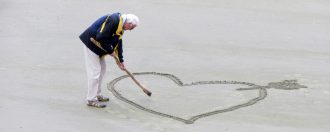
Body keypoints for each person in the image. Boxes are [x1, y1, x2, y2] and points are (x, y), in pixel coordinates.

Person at [79, 12, 139, 108]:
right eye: (132, 28)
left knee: (102, 71)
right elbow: (100, 37)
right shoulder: (114, 20)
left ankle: (97, 94)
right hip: (91, 45)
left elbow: (118, 42)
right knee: (95, 73)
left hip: (99, 48)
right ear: (129, 24)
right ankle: (90, 99)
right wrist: (110, 50)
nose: (130, 30)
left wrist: (121, 60)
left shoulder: (121, 26)